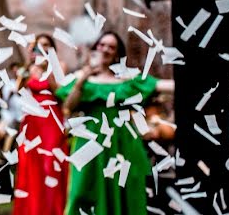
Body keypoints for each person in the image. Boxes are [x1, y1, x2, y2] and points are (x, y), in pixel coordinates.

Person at [56, 30, 175, 215]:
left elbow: (161, 85)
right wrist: (83, 78)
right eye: (102, 45)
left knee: (124, 190)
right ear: (95, 47)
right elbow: (68, 106)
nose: (105, 49)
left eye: (111, 47)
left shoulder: (127, 81)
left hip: (122, 141)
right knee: (81, 192)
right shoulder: (83, 78)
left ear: (117, 54)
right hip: (90, 142)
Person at [13, 34, 68, 215]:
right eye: (38, 45)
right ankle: (33, 209)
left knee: (50, 160)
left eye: (46, 45)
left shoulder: (59, 65)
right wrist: (27, 69)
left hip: (50, 118)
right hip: (31, 120)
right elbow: (18, 90)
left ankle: (54, 209)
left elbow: (61, 93)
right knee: (31, 164)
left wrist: (48, 69)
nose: (42, 48)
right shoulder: (29, 68)